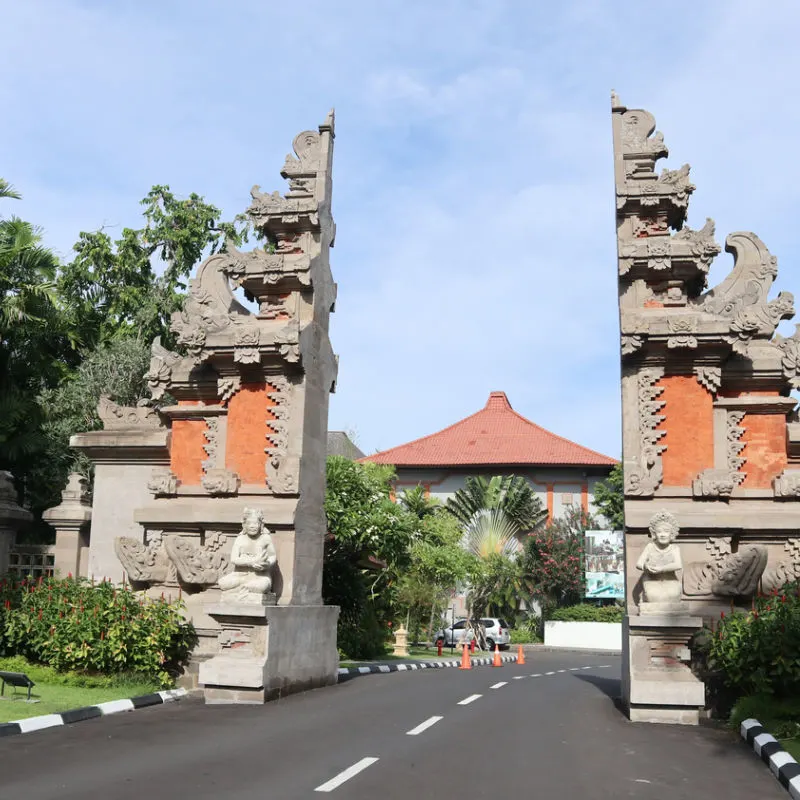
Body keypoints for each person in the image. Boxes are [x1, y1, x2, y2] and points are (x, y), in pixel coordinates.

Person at [219, 507, 277, 603]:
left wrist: (267, 564)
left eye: (255, 523)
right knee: (222, 583)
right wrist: (251, 562)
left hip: (260, 576)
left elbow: (272, 556)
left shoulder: (265, 538)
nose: (252, 526)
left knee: (263, 586)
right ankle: (245, 587)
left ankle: (244, 588)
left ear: (261, 525)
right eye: (249, 523)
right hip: (240, 575)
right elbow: (234, 559)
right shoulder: (240, 539)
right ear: (244, 525)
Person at [636, 510, 682, 604]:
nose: (663, 535)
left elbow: (678, 565)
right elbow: (639, 564)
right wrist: (646, 566)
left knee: (674, 596)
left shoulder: (674, 548)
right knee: (653, 597)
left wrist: (661, 569)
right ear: (654, 534)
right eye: (659, 532)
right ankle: (645, 596)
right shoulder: (650, 547)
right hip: (652, 580)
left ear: (672, 534)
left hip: (670, 580)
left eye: (666, 531)